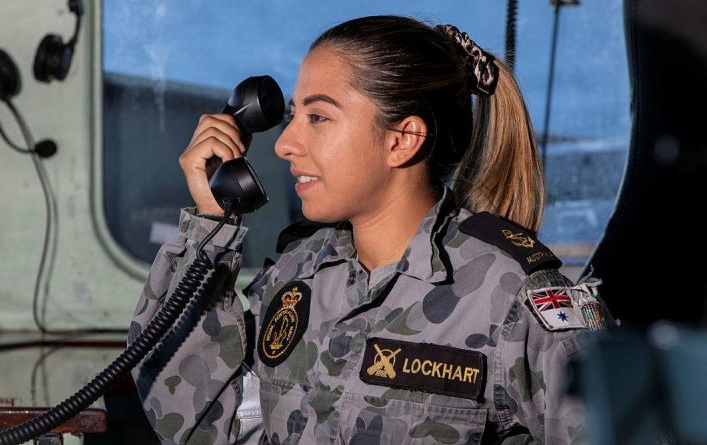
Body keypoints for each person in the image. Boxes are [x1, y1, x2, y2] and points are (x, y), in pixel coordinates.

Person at [129, 15, 612, 444]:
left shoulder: (514, 298)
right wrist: (211, 224)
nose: (284, 145)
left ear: (401, 140)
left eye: (318, 117)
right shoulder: (299, 273)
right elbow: (199, 424)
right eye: (294, 116)